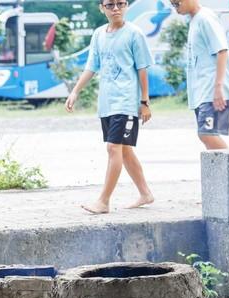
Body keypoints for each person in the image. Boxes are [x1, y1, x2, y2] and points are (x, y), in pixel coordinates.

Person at [65, 0, 155, 215]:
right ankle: (145, 193)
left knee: (113, 148)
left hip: (126, 102)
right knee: (124, 150)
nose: (116, 8)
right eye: (110, 4)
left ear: (126, 6)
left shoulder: (134, 34)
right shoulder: (98, 34)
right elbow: (91, 66)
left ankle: (103, 201)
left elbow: (142, 69)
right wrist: (75, 91)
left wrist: (144, 102)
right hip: (107, 102)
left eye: (121, 3)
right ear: (102, 8)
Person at [173, 0, 229, 150]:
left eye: (177, 3)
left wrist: (218, 87)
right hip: (203, 91)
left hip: (213, 90)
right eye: (172, 5)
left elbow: (221, 51)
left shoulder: (206, 18)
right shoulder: (195, 20)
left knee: (206, 134)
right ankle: (220, 173)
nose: (175, 8)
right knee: (207, 137)